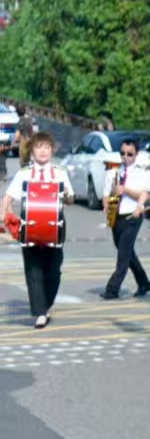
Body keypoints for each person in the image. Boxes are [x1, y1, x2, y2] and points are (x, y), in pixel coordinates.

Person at [4, 132, 73, 328]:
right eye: (38, 147)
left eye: (47, 147)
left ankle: (46, 304)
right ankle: (40, 312)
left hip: (55, 225)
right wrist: (4, 213)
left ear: (52, 151)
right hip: (30, 225)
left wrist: (66, 194)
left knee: (54, 270)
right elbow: (8, 197)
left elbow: (71, 199)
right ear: (32, 151)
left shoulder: (59, 172)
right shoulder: (24, 174)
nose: (43, 151)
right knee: (33, 269)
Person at [102, 136, 150, 300]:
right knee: (127, 252)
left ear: (136, 155)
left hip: (132, 215)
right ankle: (144, 282)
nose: (125, 157)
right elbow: (106, 193)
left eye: (130, 154)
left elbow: (144, 194)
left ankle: (112, 289)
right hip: (116, 216)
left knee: (123, 255)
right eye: (123, 153)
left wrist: (125, 190)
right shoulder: (113, 172)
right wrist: (106, 206)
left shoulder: (141, 173)